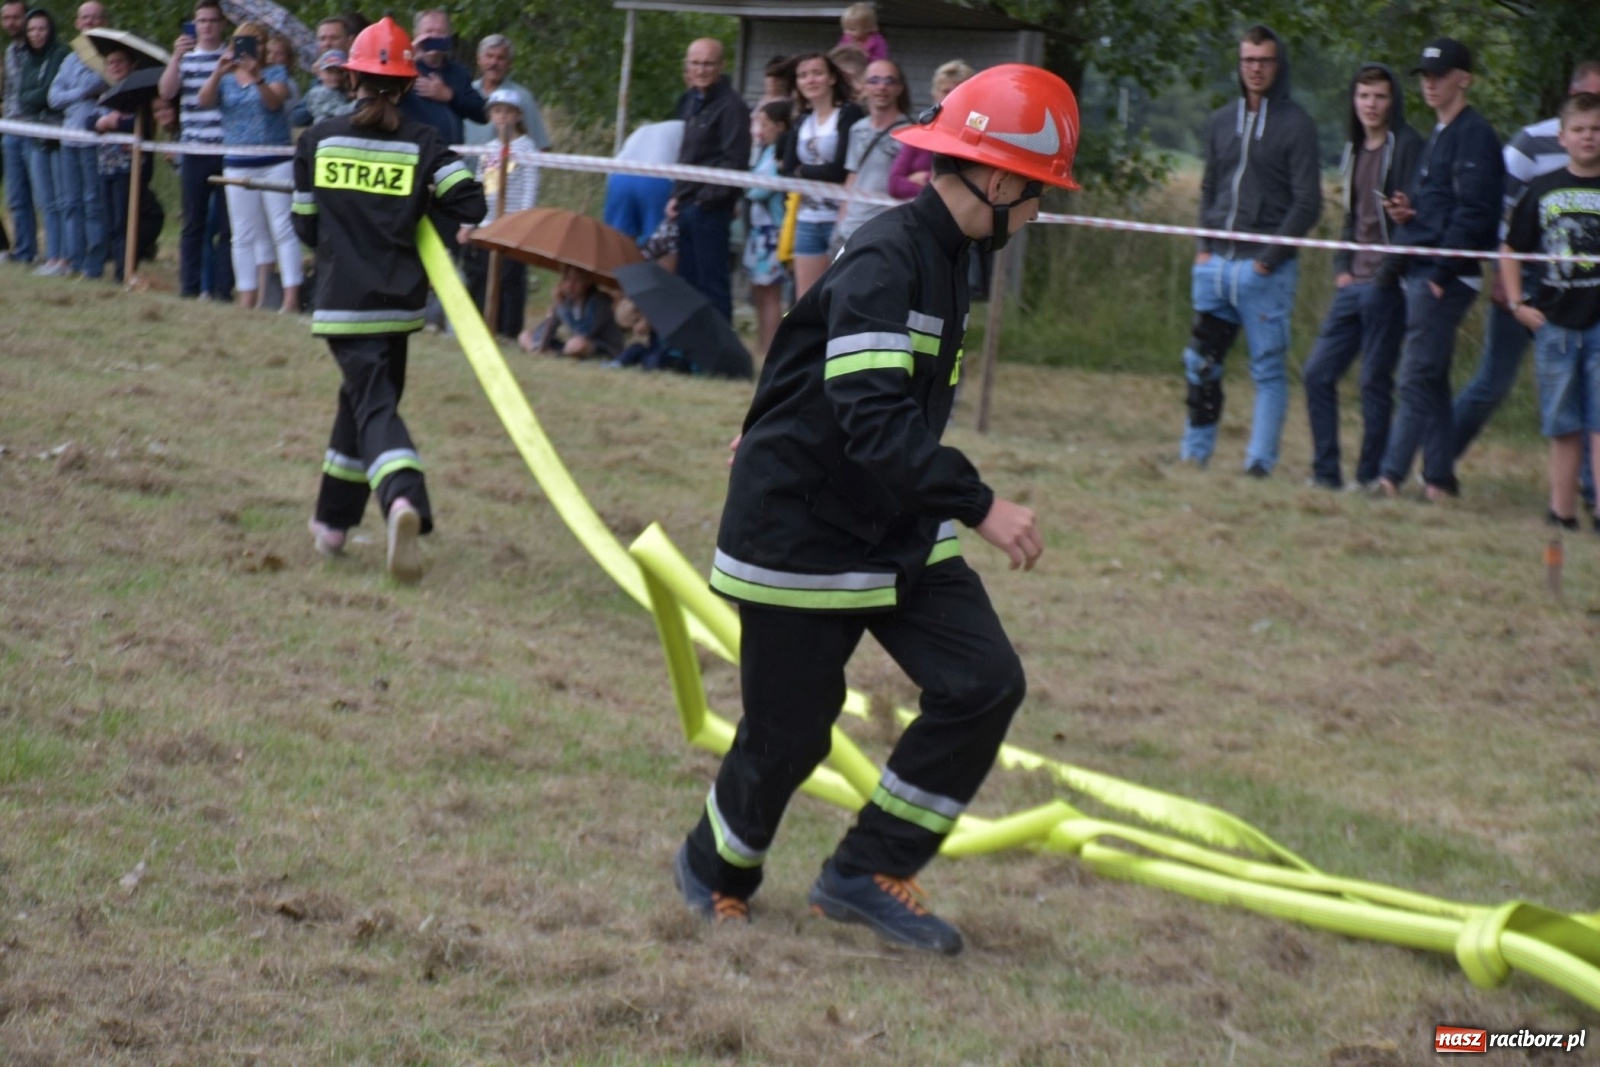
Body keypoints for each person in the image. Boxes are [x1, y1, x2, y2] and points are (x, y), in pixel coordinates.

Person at [674, 64, 1079, 954]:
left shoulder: (953, 257)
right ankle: (716, 866)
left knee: (982, 682)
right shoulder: (890, 256)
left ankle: (864, 869)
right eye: (1041, 192)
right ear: (1003, 182)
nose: (1041, 212)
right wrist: (982, 505)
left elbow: (821, 370)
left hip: (893, 520)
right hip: (804, 532)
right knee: (790, 735)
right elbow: (871, 416)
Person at [292, 16, 485, 583]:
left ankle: (369, 509)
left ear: (352, 79)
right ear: (405, 85)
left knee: (367, 404)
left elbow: (306, 227)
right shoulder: (424, 142)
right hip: (399, 308)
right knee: (367, 403)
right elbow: (470, 205)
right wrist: (421, 207)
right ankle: (365, 510)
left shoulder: (317, 138)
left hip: (341, 303)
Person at [1178, 25, 1321, 477]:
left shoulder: (1297, 124)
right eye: (1248, 60)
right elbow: (1209, 187)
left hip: (1265, 273)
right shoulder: (1222, 120)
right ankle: (1193, 455)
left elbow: (1307, 202)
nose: (1256, 69)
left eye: (1264, 60)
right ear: (1239, 64)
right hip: (1215, 264)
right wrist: (1204, 247)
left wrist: (1268, 260)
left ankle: (1259, 463)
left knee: (1267, 370)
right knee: (1201, 363)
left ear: (1278, 66)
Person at [1453, 62, 1600, 478]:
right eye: (1587, 103)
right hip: (1528, 279)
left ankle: (1590, 493)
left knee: (1592, 404)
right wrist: (1511, 286)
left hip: (1586, 295)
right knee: (1492, 383)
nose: (1593, 124)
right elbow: (1499, 213)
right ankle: (1438, 465)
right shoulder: (1529, 145)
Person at [1377, 39, 1504, 501]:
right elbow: (1444, 206)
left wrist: (1438, 276)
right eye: (1425, 76)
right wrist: (1412, 211)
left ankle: (1389, 478)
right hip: (1423, 266)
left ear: (1463, 79)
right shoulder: (1440, 132)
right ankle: (1439, 480)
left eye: (1440, 74)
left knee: (1414, 375)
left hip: (1445, 276)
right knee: (1430, 378)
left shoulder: (1476, 135)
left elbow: (1473, 216)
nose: (1430, 83)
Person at [1301, 64, 1423, 490]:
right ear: (1354, 100)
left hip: (1389, 286)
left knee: (1374, 382)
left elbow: (1413, 217)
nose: (1371, 105)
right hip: (1353, 282)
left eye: (1380, 97)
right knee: (1317, 373)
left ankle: (1371, 476)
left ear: (1393, 101)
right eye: (1364, 96)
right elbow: (1352, 218)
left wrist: (1387, 275)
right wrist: (1342, 268)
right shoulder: (1352, 149)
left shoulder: (1407, 146)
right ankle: (1325, 473)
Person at [1500, 92, 1600, 530]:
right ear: (1562, 138)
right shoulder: (1543, 189)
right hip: (1554, 324)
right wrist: (1518, 302)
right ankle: (1562, 511)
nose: (1588, 138)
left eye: (1596, 130)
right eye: (1579, 130)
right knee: (1562, 423)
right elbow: (1510, 248)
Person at [199, 20, 300, 312]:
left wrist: (258, 78)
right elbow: (204, 101)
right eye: (242, 41)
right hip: (237, 161)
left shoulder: (275, 73)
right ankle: (247, 295)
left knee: (282, 228)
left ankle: (290, 297)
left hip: (275, 161)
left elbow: (273, 103)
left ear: (263, 46)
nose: (248, 47)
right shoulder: (227, 78)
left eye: (254, 41)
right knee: (243, 233)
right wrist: (218, 72)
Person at [667, 38, 749, 322]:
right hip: (686, 205)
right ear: (687, 66)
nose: (701, 70)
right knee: (686, 283)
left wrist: (704, 201)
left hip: (710, 211)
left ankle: (722, 361)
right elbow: (687, 155)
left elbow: (735, 163)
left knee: (712, 285)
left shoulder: (732, 107)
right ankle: (691, 355)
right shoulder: (690, 101)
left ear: (721, 66)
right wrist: (677, 196)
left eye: (708, 63)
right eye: (696, 63)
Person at [160, 0, 233, 301]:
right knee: (193, 224)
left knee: (229, 227)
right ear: (195, 24)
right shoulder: (187, 59)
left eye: (212, 20)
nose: (206, 26)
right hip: (194, 149)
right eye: (201, 20)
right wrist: (176, 57)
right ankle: (189, 288)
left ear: (222, 24)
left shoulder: (231, 57)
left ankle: (221, 289)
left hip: (227, 149)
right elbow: (166, 92)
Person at [781, 52, 863, 299]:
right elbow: (786, 169)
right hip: (807, 217)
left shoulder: (848, 114)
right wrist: (806, 172)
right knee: (805, 299)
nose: (810, 80)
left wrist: (803, 171)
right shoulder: (802, 120)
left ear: (831, 78)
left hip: (841, 218)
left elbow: (840, 168)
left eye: (817, 73)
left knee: (842, 294)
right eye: (803, 75)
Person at [459, 86, 537, 339]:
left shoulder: (526, 148)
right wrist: (469, 222)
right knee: (480, 275)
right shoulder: (489, 149)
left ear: (517, 116)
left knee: (510, 278)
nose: (502, 117)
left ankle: (508, 329)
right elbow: (481, 185)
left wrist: (523, 221)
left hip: (514, 224)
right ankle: (480, 325)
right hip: (487, 222)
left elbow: (529, 187)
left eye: (507, 112)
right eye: (497, 111)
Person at [91, 45, 164, 281]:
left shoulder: (139, 95)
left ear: (131, 65)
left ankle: (126, 270)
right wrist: (102, 123)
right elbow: (89, 122)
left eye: (120, 62)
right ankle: (117, 266)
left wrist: (112, 122)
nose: (115, 66)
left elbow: (139, 124)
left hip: (129, 169)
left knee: (126, 222)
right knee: (111, 222)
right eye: (110, 62)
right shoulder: (104, 95)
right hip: (106, 167)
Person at [46, 0, 107, 279]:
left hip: (94, 141)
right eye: (85, 18)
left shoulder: (108, 57)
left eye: (95, 18)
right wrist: (80, 93)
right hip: (68, 138)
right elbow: (53, 97)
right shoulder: (70, 58)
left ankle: (93, 267)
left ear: (103, 22)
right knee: (71, 203)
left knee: (93, 203)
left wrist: (76, 92)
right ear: (77, 23)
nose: (89, 22)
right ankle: (74, 260)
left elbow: (98, 84)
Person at [834, 57, 911, 250]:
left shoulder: (910, 134)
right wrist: (841, 220)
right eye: (874, 80)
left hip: (884, 233)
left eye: (889, 81)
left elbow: (914, 184)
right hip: (848, 230)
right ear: (864, 87)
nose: (882, 87)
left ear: (899, 88)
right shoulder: (857, 129)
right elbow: (852, 175)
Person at [16, 8, 69, 277]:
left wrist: (37, 97)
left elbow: (50, 94)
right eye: (32, 30)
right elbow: (23, 97)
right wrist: (37, 97)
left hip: (57, 137)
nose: (37, 35)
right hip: (36, 137)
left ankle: (64, 258)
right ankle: (51, 255)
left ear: (50, 31)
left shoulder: (59, 54)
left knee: (62, 200)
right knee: (45, 201)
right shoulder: (27, 60)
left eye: (42, 29)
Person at [743, 99, 790, 358]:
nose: (759, 129)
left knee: (771, 292)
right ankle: (761, 344)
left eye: (764, 123)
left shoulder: (778, 155)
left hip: (773, 231)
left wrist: (750, 186)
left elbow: (760, 189)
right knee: (758, 291)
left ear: (779, 126)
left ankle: (770, 349)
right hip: (758, 231)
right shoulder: (764, 151)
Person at [398, 9, 485, 147]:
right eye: (429, 32)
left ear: (449, 37)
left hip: (451, 157)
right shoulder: (404, 70)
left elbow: (482, 113)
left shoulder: (458, 72)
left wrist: (449, 96)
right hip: (415, 154)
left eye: (440, 32)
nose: (434, 37)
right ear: (417, 35)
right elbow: (382, 95)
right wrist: (410, 58)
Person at [888, 60, 971, 201]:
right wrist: (934, 189)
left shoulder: (971, 138)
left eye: (958, 91)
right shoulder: (920, 134)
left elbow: (962, 189)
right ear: (935, 94)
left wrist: (925, 177)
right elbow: (894, 184)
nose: (951, 97)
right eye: (946, 91)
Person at [463, 34, 550, 153]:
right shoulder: (466, 92)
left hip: (504, 170)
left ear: (509, 63)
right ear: (479, 59)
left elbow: (541, 147)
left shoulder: (522, 97)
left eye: (501, 58)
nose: (494, 62)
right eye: (489, 56)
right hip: (463, 170)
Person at [521, 265, 624, 360]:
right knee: (525, 335)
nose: (570, 285)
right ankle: (537, 351)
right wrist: (540, 344)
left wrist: (561, 307)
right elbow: (548, 327)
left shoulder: (599, 301)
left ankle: (557, 355)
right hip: (573, 343)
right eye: (567, 279)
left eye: (577, 280)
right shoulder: (567, 301)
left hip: (601, 345)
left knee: (577, 344)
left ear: (588, 281)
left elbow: (584, 331)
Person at [2, 0, 33, 264]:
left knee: (46, 197)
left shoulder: (37, 52)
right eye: (6, 18)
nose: (11, 23)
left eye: (16, 17)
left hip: (33, 128)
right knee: (16, 196)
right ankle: (24, 252)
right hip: (10, 129)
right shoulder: (9, 51)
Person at [302, 49, 353, 124]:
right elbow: (338, 111)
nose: (334, 76)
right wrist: (358, 104)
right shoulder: (320, 93)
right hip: (324, 129)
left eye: (339, 72)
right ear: (319, 74)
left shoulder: (340, 91)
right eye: (329, 72)